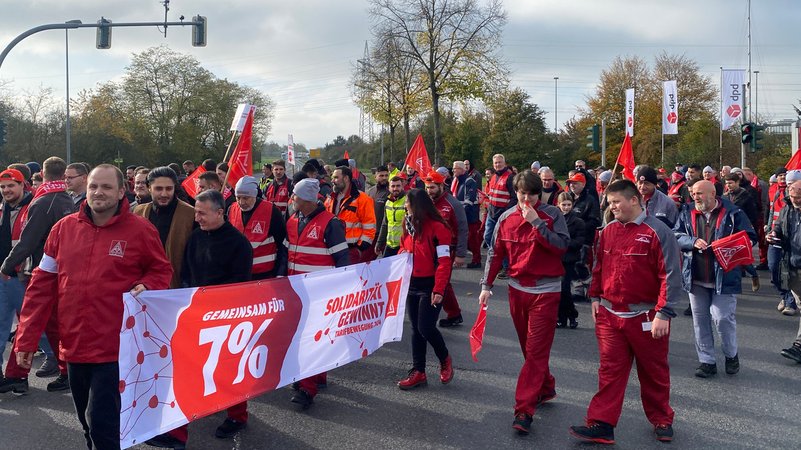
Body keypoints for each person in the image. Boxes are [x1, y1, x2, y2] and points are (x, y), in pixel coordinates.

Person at [14, 164, 172, 450]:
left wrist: (148, 284)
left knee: (103, 424)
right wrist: (25, 339)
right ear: (85, 189)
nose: (99, 192)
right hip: (74, 345)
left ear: (121, 191)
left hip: (115, 348)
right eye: (94, 187)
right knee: (86, 422)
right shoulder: (62, 230)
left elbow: (161, 271)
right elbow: (41, 287)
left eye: (107, 187)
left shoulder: (141, 230)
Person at [569, 179, 682, 445]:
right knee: (609, 371)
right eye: (610, 203)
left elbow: (670, 275)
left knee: (653, 371)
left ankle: (662, 419)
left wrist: (664, 313)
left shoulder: (658, 232)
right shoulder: (607, 231)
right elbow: (599, 266)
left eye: (616, 202)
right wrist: (595, 296)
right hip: (610, 315)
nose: (612, 207)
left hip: (646, 317)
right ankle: (602, 423)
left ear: (634, 200)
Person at [147, 189, 254, 449]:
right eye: (196, 212)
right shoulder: (195, 237)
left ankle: (237, 415)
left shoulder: (238, 243)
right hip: (195, 313)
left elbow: (240, 284)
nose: (198, 218)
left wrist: (213, 303)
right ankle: (178, 430)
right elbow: (186, 272)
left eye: (203, 213)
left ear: (220, 212)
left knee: (229, 368)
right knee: (191, 368)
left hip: (226, 317)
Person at [479, 170, 569, 435]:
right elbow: (495, 253)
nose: (527, 198)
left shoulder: (552, 215)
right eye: (522, 194)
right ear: (515, 193)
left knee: (536, 351)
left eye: (532, 193)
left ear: (539, 194)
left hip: (547, 290)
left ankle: (524, 410)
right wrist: (486, 285)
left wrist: (537, 224)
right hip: (517, 290)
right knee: (529, 349)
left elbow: (561, 246)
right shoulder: (505, 218)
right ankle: (546, 386)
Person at [0, 158, 74, 391]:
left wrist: (6, 266)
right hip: (57, 271)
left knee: (31, 324)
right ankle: (61, 370)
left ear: (40, 174)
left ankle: (19, 374)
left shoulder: (43, 202)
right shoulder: (65, 198)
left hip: (42, 272)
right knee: (47, 325)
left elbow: (28, 241)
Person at [675, 180, 756, 378]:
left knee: (722, 319)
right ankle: (707, 361)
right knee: (700, 321)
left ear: (713, 194)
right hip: (696, 276)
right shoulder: (686, 211)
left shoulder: (734, 212)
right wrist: (692, 241)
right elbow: (675, 234)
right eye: (693, 193)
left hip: (724, 275)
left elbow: (750, 237)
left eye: (700, 193)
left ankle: (731, 355)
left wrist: (727, 245)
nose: (695, 197)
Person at [285, 178, 350, 409]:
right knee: (305, 338)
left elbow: (342, 260)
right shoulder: (293, 220)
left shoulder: (330, 223)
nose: (292, 199)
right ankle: (316, 377)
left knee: (310, 340)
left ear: (307, 200)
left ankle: (307, 389)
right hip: (297, 290)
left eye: (296, 196)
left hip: (321, 293)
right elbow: (288, 253)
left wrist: (342, 291)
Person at [396, 188, 454, 390]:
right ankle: (418, 371)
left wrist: (439, 289)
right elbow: (404, 248)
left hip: (431, 285)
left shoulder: (438, 228)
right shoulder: (408, 224)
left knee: (425, 327)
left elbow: (444, 262)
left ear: (417, 206)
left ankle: (445, 359)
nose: (405, 207)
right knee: (415, 330)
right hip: (412, 283)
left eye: (407, 204)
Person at [132, 166, 196, 288]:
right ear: (149, 188)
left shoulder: (190, 214)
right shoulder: (139, 211)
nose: (164, 194)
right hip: (143, 287)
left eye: (169, 189)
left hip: (178, 287)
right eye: (158, 189)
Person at [423, 171, 468, 327]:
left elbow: (463, 229)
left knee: (442, 282)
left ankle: (449, 315)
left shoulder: (453, 204)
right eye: (427, 188)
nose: (429, 191)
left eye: (433, 187)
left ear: (442, 186)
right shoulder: (427, 202)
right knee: (442, 282)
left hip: (449, 249)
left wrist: (461, 254)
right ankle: (454, 314)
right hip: (431, 249)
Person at [228, 176, 287, 280]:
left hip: (265, 275)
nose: (241, 202)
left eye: (246, 198)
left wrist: (280, 272)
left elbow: (282, 245)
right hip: (238, 273)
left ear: (254, 195)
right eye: (238, 198)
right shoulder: (231, 210)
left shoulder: (271, 211)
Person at [325, 166, 376, 265]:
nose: (332, 181)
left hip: (351, 251)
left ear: (346, 178)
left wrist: (360, 248)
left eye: (336, 177)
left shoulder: (363, 199)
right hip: (332, 249)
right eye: (332, 178)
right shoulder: (330, 198)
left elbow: (370, 226)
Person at [775, 180, 801, 364]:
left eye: (799, 197)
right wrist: (774, 234)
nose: (795, 200)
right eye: (792, 197)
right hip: (792, 264)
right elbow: (779, 226)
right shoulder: (787, 209)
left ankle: (799, 346)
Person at [724, 173, 760, 291]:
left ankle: (754, 275)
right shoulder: (724, 197)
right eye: (727, 183)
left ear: (737, 182)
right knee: (731, 257)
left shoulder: (746, 196)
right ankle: (734, 282)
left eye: (731, 183)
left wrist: (750, 230)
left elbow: (753, 214)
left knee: (741, 256)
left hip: (742, 230)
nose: (728, 185)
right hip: (728, 230)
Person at [484, 154, 517, 278]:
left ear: (504, 162)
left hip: (502, 215)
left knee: (501, 242)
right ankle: (500, 263)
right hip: (492, 213)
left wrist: (506, 213)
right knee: (488, 238)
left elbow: (514, 198)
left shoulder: (510, 177)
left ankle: (506, 267)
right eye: (495, 163)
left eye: (499, 162)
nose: (497, 165)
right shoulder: (493, 177)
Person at [556, 191, 585, 329]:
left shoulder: (578, 221)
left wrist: (565, 243)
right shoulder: (555, 219)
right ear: (558, 205)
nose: (566, 207)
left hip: (569, 258)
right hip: (556, 258)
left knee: (564, 289)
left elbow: (579, 240)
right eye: (564, 205)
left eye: (569, 205)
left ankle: (571, 315)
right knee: (558, 290)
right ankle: (562, 318)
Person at [452, 161, 481, 268]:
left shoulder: (469, 182)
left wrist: (460, 214)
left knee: (473, 239)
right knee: (462, 238)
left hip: (470, 216)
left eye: (455, 168)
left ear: (461, 169)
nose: (453, 170)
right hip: (460, 215)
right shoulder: (457, 181)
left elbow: (469, 200)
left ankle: (476, 260)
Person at [376, 176, 406, 257]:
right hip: (389, 244)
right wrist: (379, 242)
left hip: (403, 246)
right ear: (389, 188)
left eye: (398, 186)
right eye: (393, 186)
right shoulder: (388, 202)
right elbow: (385, 224)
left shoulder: (408, 202)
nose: (395, 188)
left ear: (402, 186)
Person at [367, 165, 390, 233]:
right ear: (375, 177)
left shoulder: (391, 192)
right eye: (381, 176)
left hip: (384, 232)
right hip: (371, 230)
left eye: (386, 175)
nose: (384, 178)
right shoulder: (370, 191)